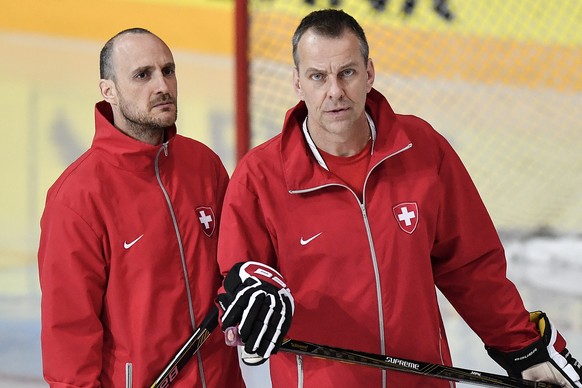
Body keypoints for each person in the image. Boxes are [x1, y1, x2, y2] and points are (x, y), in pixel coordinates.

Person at [215, 9, 581, 388]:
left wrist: (523, 348)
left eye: (348, 73)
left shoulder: (421, 148)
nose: (335, 91)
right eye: (318, 77)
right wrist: (245, 302)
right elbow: (237, 281)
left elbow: (470, 266)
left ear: (369, 72)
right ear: (297, 82)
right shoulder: (260, 176)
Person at [37, 28, 244, 387]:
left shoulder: (204, 165)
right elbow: (68, 334)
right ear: (109, 91)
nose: (162, 85)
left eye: (168, 70)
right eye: (142, 75)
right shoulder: (76, 199)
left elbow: (235, 266)